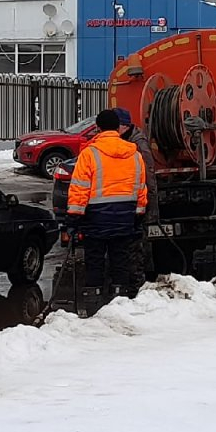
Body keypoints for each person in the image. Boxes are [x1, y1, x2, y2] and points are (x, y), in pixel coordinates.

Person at [66, 109, 148, 295]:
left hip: (96, 218)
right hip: (125, 217)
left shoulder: (89, 154)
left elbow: (79, 189)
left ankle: (94, 299)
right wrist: (138, 215)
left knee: (95, 261)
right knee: (120, 260)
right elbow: (141, 189)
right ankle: (119, 296)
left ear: (98, 128)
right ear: (118, 128)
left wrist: (73, 219)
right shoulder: (135, 155)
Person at [116, 106, 158, 285]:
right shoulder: (128, 142)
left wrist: (151, 209)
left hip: (138, 205)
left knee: (139, 246)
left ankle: (143, 280)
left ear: (124, 126)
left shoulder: (138, 144)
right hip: (130, 204)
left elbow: (148, 176)